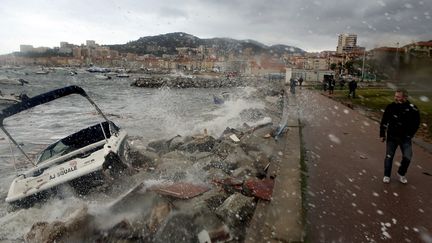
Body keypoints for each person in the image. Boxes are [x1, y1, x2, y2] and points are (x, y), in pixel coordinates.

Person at [380, 89, 420, 184]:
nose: (395, 98)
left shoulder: (413, 108)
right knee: (389, 156)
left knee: (408, 157)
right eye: (395, 96)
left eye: (398, 96)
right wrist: (382, 134)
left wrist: (410, 134)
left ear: (405, 97)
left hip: (405, 138)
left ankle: (401, 173)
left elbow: (416, 123)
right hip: (392, 136)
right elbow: (384, 121)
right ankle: (386, 175)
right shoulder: (390, 107)